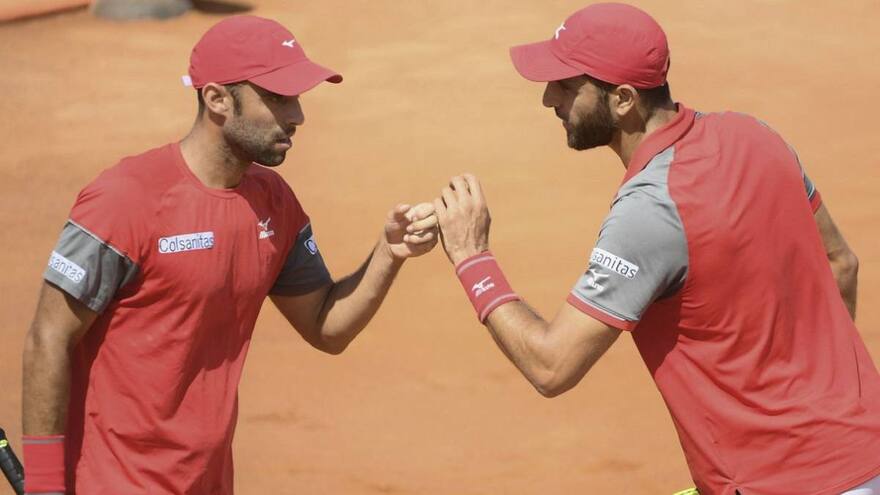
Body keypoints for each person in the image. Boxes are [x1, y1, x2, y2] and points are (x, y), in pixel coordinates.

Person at [433, 3, 880, 494]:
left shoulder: (650, 211)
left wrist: (473, 256)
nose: (547, 100)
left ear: (623, 100)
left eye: (565, 86)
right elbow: (842, 263)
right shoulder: (758, 136)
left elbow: (551, 365)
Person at [21, 15, 438, 494]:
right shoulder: (125, 198)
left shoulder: (273, 202)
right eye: (278, 98)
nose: (297, 115)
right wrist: (46, 487)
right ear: (217, 99)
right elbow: (48, 339)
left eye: (297, 98)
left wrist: (389, 253)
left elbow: (327, 326)